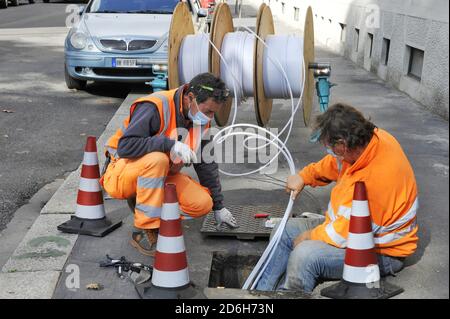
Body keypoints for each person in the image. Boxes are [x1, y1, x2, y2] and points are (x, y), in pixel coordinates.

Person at [255, 103, 419, 293]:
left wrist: (310, 236)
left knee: (304, 255)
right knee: (283, 230)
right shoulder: (364, 145)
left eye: (331, 148)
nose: (331, 153)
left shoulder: (378, 178)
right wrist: (304, 176)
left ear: (342, 145)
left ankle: (290, 295)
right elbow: (334, 164)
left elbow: (347, 233)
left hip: (381, 252)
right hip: (348, 229)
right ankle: (260, 294)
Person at [101, 73, 238, 256]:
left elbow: (206, 164)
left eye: (213, 112)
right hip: (121, 173)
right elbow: (126, 147)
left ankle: (148, 203)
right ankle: (144, 228)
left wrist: (218, 206)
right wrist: (170, 144)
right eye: (208, 111)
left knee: (202, 204)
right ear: (191, 98)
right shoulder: (155, 106)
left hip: (160, 175)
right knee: (157, 159)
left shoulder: (200, 120)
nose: (210, 117)